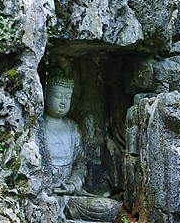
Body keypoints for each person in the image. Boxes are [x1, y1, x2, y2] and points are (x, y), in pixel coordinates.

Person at [43, 71, 121, 222]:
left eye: (67, 97)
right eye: (58, 96)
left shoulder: (73, 128)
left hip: (69, 198)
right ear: (45, 95)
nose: (63, 102)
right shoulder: (37, 127)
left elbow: (80, 164)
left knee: (112, 208)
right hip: (44, 194)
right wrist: (47, 185)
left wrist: (72, 184)